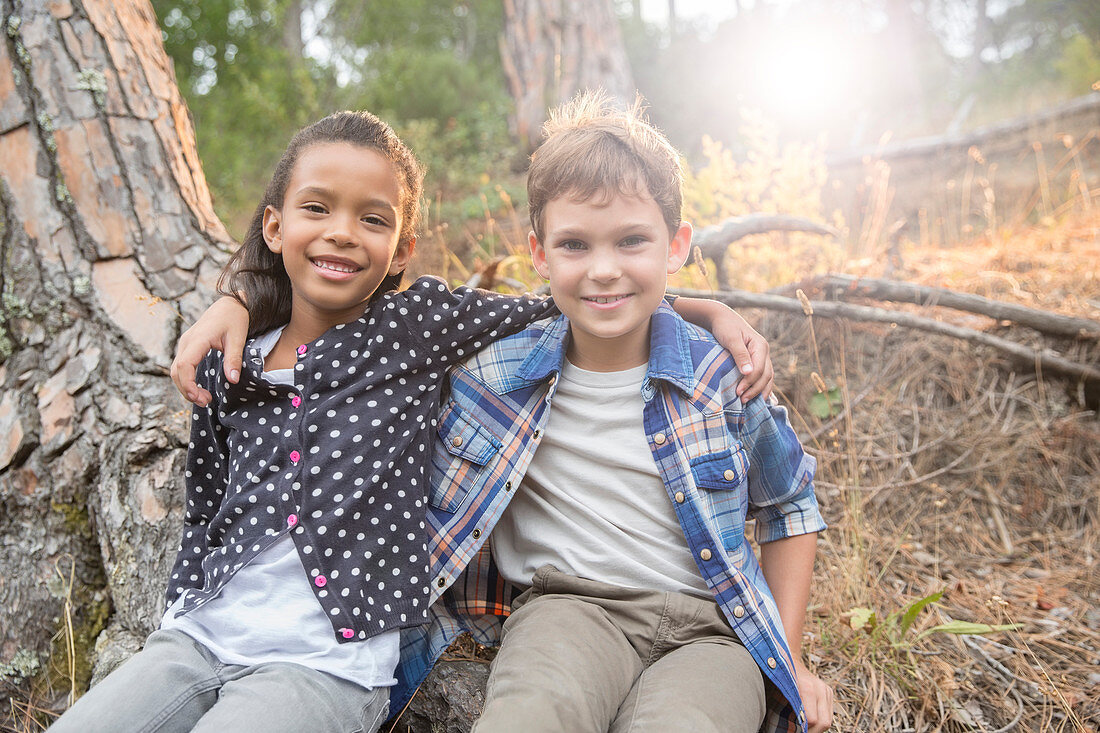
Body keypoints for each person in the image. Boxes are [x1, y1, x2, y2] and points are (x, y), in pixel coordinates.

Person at [58, 109, 773, 732]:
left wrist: (703, 309)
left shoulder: (414, 328)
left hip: (328, 658)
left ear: (402, 249)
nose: (342, 234)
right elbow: (205, 495)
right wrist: (237, 295)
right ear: (273, 225)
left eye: (373, 219)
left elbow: (571, 299)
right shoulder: (229, 357)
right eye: (317, 209)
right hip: (197, 637)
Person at [395, 92, 833, 733]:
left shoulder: (717, 373)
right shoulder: (492, 372)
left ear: (676, 244)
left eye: (632, 240)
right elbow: (356, 323)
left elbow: (789, 504)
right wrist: (240, 300)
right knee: (527, 718)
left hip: (713, 632)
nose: (603, 271)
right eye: (574, 245)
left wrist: (788, 656)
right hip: (568, 611)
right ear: (539, 254)